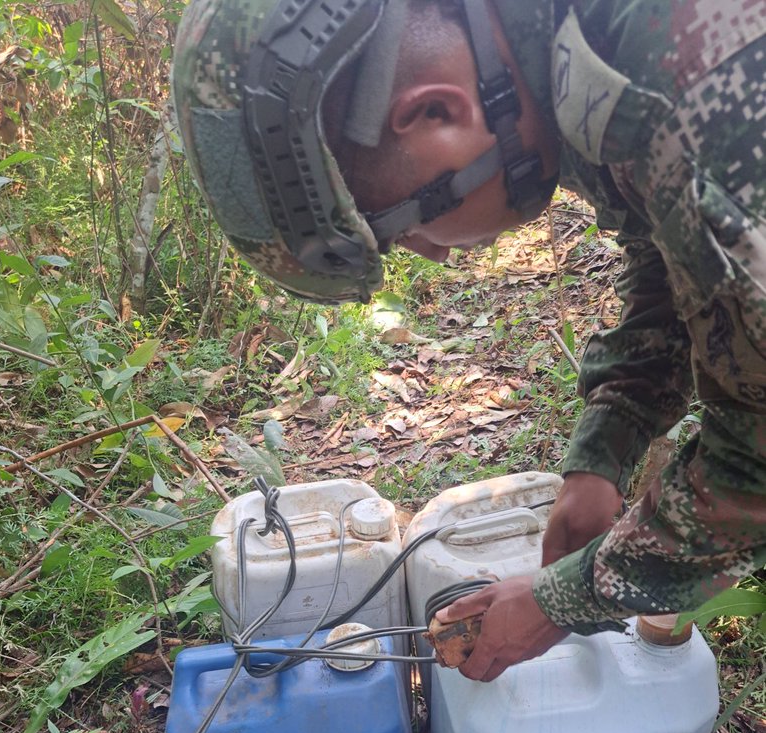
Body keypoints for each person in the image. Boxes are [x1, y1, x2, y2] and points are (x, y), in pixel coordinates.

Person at [171, 0, 766, 679]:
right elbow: (666, 250)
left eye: (403, 229)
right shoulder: (563, 61)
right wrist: (607, 446)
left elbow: (756, 457)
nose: (435, 256)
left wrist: (562, 601)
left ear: (438, 112)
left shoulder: (688, 82)